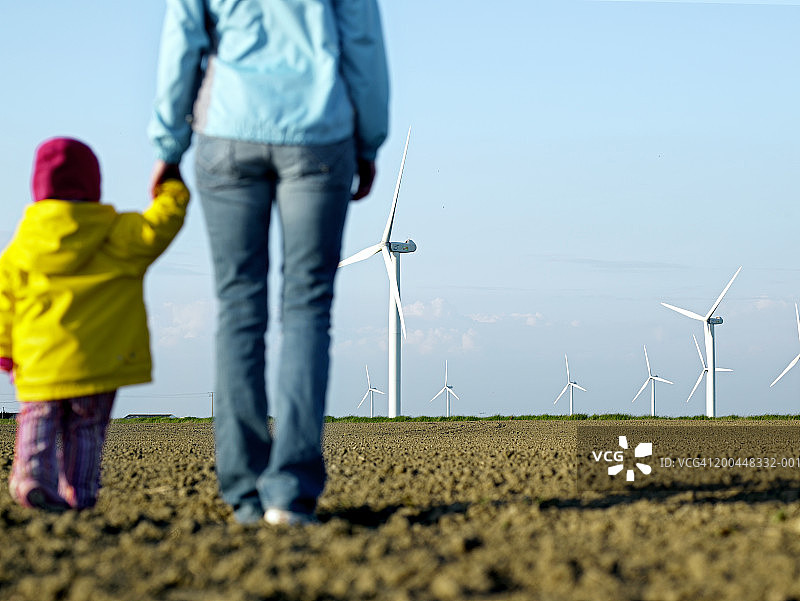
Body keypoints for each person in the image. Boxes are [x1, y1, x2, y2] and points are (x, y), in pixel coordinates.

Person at [149, 0, 389, 525]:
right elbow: (364, 45)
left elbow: (182, 40)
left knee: (239, 310)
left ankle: (245, 493)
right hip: (320, 132)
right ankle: (291, 493)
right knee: (307, 309)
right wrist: (370, 140)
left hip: (227, 130)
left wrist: (169, 143)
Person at [0, 137, 189, 511]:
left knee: (38, 418)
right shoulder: (119, 232)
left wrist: (6, 353)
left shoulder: (24, 244)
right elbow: (163, 222)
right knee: (86, 432)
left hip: (41, 362)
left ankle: (32, 477)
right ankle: (80, 496)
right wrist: (171, 185)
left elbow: (5, 301)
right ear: (94, 183)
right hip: (101, 362)